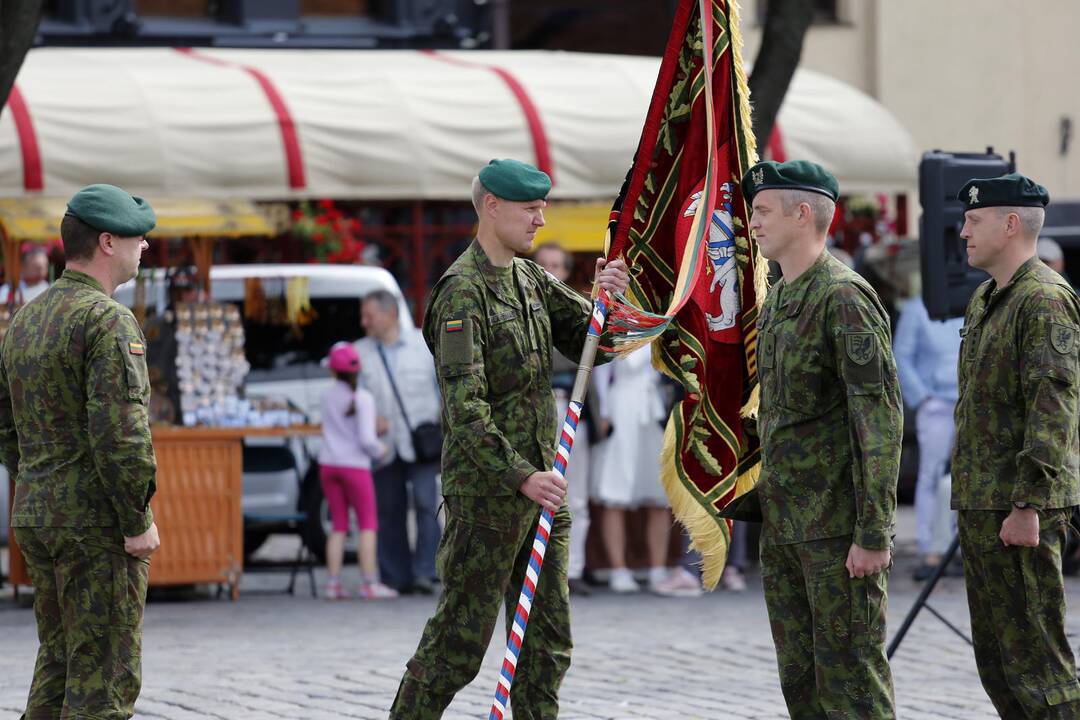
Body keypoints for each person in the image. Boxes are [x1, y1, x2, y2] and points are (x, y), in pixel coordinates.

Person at [388, 159, 629, 719]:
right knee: (457, 645)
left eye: (543, 206)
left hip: (544, 490)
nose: (541, 219)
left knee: (546, 645)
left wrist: (610, 296)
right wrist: (520, 475)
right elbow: (465, 411)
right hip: (491, 498)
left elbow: (601, 340)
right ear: (491, 206)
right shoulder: (461, 293)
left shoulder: (532, 279)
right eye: (530, 207)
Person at [726, 160, 902, 719]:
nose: (751, 222)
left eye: (762, 211)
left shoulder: (843, 297)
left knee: (852, 684)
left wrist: (873, 532)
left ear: (804, 215)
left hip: (836, 528)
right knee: (801, 685)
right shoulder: (779, 298)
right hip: (787, 526)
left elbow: (878, 420)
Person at [0, 184, 161, 719]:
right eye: (139, 239)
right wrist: (136, 518)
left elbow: (5, 422)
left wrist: (36, 480)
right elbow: (120, 434)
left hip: (38, 513)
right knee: (105, 681)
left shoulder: (26, 318)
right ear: (108, 242)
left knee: (59, 663)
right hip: (94, 524)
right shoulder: (106, 319)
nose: (146, 249)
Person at [952, 173, 1080, 717]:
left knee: (1038, 664)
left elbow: (1054, 409)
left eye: (973, 220)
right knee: (999, 661)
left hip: (1019, 507)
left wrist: (1027, 503)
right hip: (983, 501)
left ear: (1010, 224)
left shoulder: (1045, 300)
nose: (962, 232)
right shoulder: (987, 297)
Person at [356, 288, 442, 595]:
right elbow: (353, 398)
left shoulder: (423, 345)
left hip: (421, 442)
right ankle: (395, 575)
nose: (364, 322)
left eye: (370, 315)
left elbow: (442, 388)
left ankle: (426, 572)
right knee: (388, 508)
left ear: (390, 313)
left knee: (425, 505)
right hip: (383, 445)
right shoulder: (360, 352)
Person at [533, 241, 597, 596]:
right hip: (539, 408)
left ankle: (573, 569)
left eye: (556, 265)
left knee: (577, 495)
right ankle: (539, 567)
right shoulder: (524, 305)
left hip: (571, 407)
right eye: (544, 264)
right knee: (541, 492)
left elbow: (588, 358)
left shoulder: (576, 309)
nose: (550, 272)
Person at [591, 345, 673, 593]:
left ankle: (658, 569)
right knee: (615, 490)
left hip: (653, 406)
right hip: (621, 405)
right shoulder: (615, 321)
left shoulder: (660, 318)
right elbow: (600, 371)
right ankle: (619, 569)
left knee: (658, 493)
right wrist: (602, 412)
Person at [892, 295, 963, 580]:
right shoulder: (916, 308)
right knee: (932, 475)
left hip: (966, 403)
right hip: (935, 404)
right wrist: (922, 398)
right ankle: (927, 546)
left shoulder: (968, 303)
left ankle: (956, 546)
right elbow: (902, 355)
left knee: (963, 476)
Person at [318, 341, 396, 600]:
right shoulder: (363, 398)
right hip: (355, 466)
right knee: (367, 524)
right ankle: (368, 584)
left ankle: (332, 583)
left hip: (328, 464)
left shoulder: (326, 396)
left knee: (338, 525)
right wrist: (382, 450)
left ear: (333, 370)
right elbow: (366, 439)